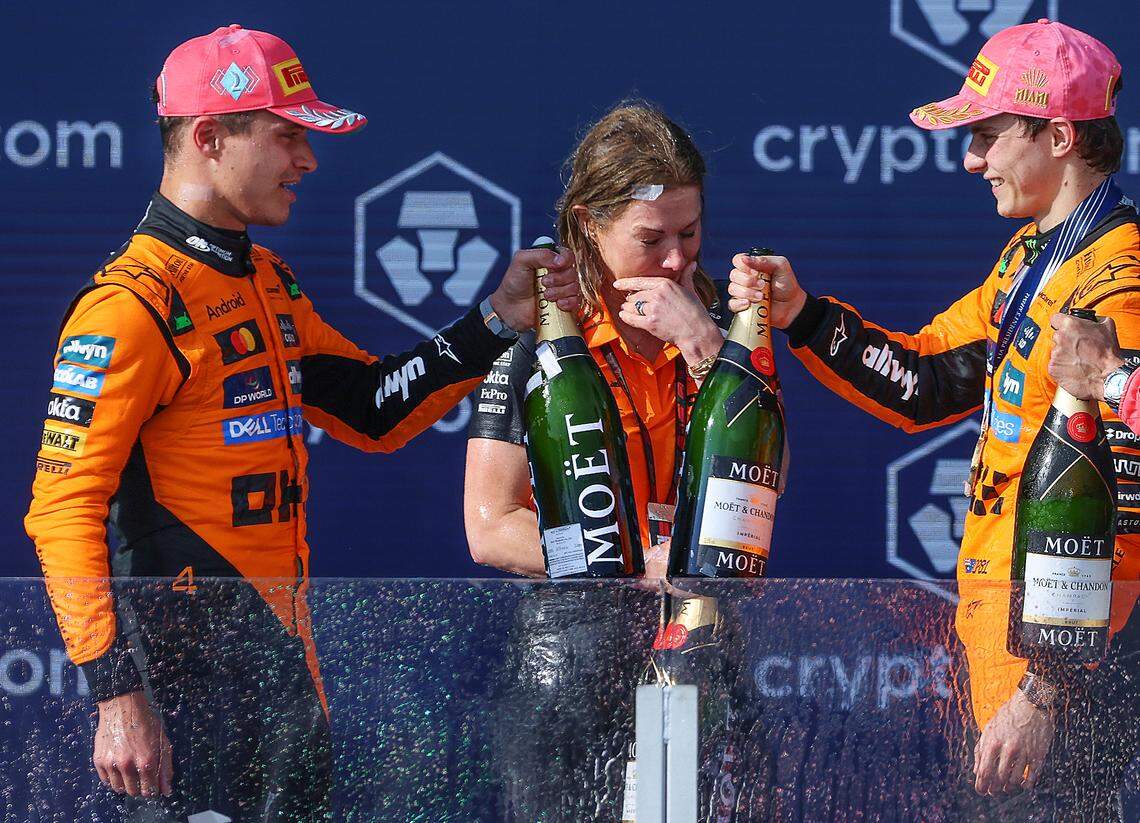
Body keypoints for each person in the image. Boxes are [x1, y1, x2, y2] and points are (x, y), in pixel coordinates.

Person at [23, 24, 579, 822]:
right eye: (288, 136)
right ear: (209, 137)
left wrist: (496, 320)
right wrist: (118, 693)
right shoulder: (130, 306)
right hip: (184, 701)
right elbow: (62, 509)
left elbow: (370, 409)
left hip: (285, 684)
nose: (308, 160)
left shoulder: (266, 282)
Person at [728, 19, 1140, 817]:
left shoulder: (1119, 282)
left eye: (987, 135)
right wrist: (805, 316)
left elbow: (1122, 521)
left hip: (1062, 670)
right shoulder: (1030, 260)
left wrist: (1044, 693)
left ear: (1058, 135)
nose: (971, 159)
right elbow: (923, 379)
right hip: (1003, 649)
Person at [463, 102, 746, 821]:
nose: (678, 259)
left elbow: (754, 497)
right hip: (570, 662)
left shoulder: (721, 338)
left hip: (698, 651)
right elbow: (491, 526)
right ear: (589, 224)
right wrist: (631, 561)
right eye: (652, 239)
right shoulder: (539, 338)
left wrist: (708, 348)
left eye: (690, 233)